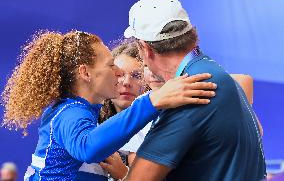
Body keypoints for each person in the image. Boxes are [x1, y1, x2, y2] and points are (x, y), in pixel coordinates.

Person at [1, 30, 217, 180]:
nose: (118, 73)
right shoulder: (69, 112)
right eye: (111, 64)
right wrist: (152, 101)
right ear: (85, 73)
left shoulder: (81, 112)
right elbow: (87, 147)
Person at [123, 0, 266, 181]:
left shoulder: (190, 92)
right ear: (190, 35)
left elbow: (139, 179)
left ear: (145, 48)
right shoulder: (214, 73)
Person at [77, 39, 216, 180]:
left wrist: (124, 173)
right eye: (118, 74)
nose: (126, 83)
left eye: (136, 75)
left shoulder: (164, 117)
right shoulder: (89, 122)